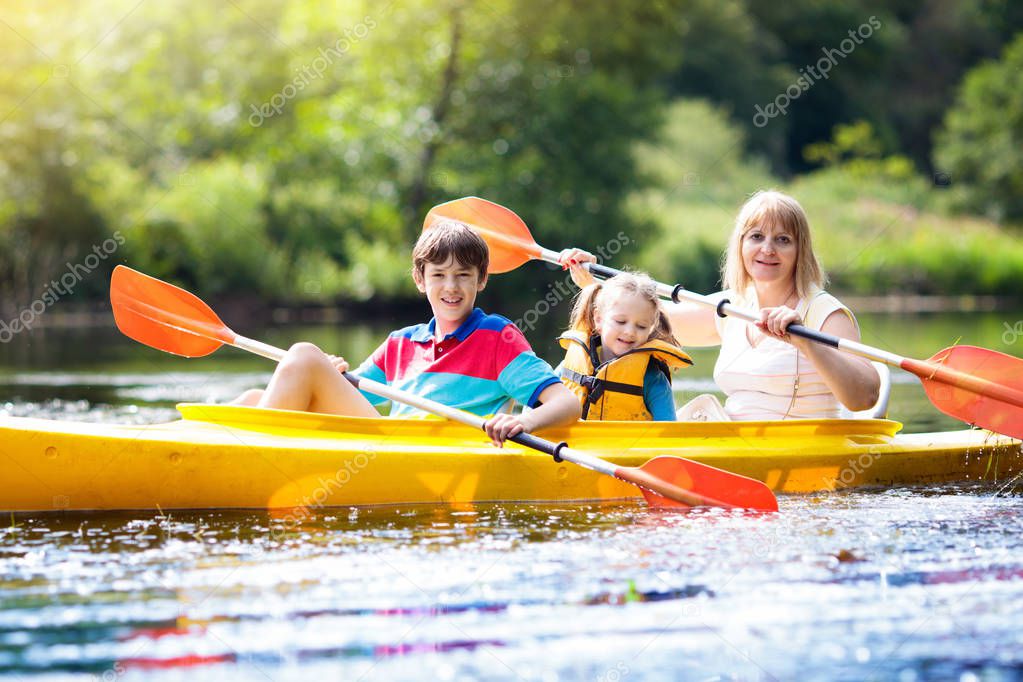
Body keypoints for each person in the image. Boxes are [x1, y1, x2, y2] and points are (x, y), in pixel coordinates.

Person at [235, 220, 581, 445]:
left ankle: (250, 459)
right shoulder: (400, 342)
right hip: (389, 443)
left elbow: (566, 403)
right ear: (420, 280)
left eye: (463, 275)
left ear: (481, 279)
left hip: (419, 451)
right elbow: (348, 397)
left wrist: (525, 422)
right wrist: (330, 373)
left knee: (304, 355)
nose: (451, 287)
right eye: (439, 275)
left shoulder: (497, 336)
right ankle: (217, 452)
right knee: (255, 396)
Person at [560, 190, 879, 421]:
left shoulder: (826, 313)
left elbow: (864, 398)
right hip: (734, 444)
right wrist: (597, 283)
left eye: (783, 240)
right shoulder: (734, 307)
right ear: (741, 245)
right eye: (756, 237)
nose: (767, 249)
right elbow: (642, 317)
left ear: (801, 250)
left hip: (803, 449)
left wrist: (806, 342)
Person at [556, 271, 692, 421]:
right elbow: (538, 403)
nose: (630, 332)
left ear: (651, 328)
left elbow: (667, 430)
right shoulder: (568, 367)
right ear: (598, 319)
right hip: (570, 444)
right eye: (621, 322)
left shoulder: (653, 379)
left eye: (641, 326)